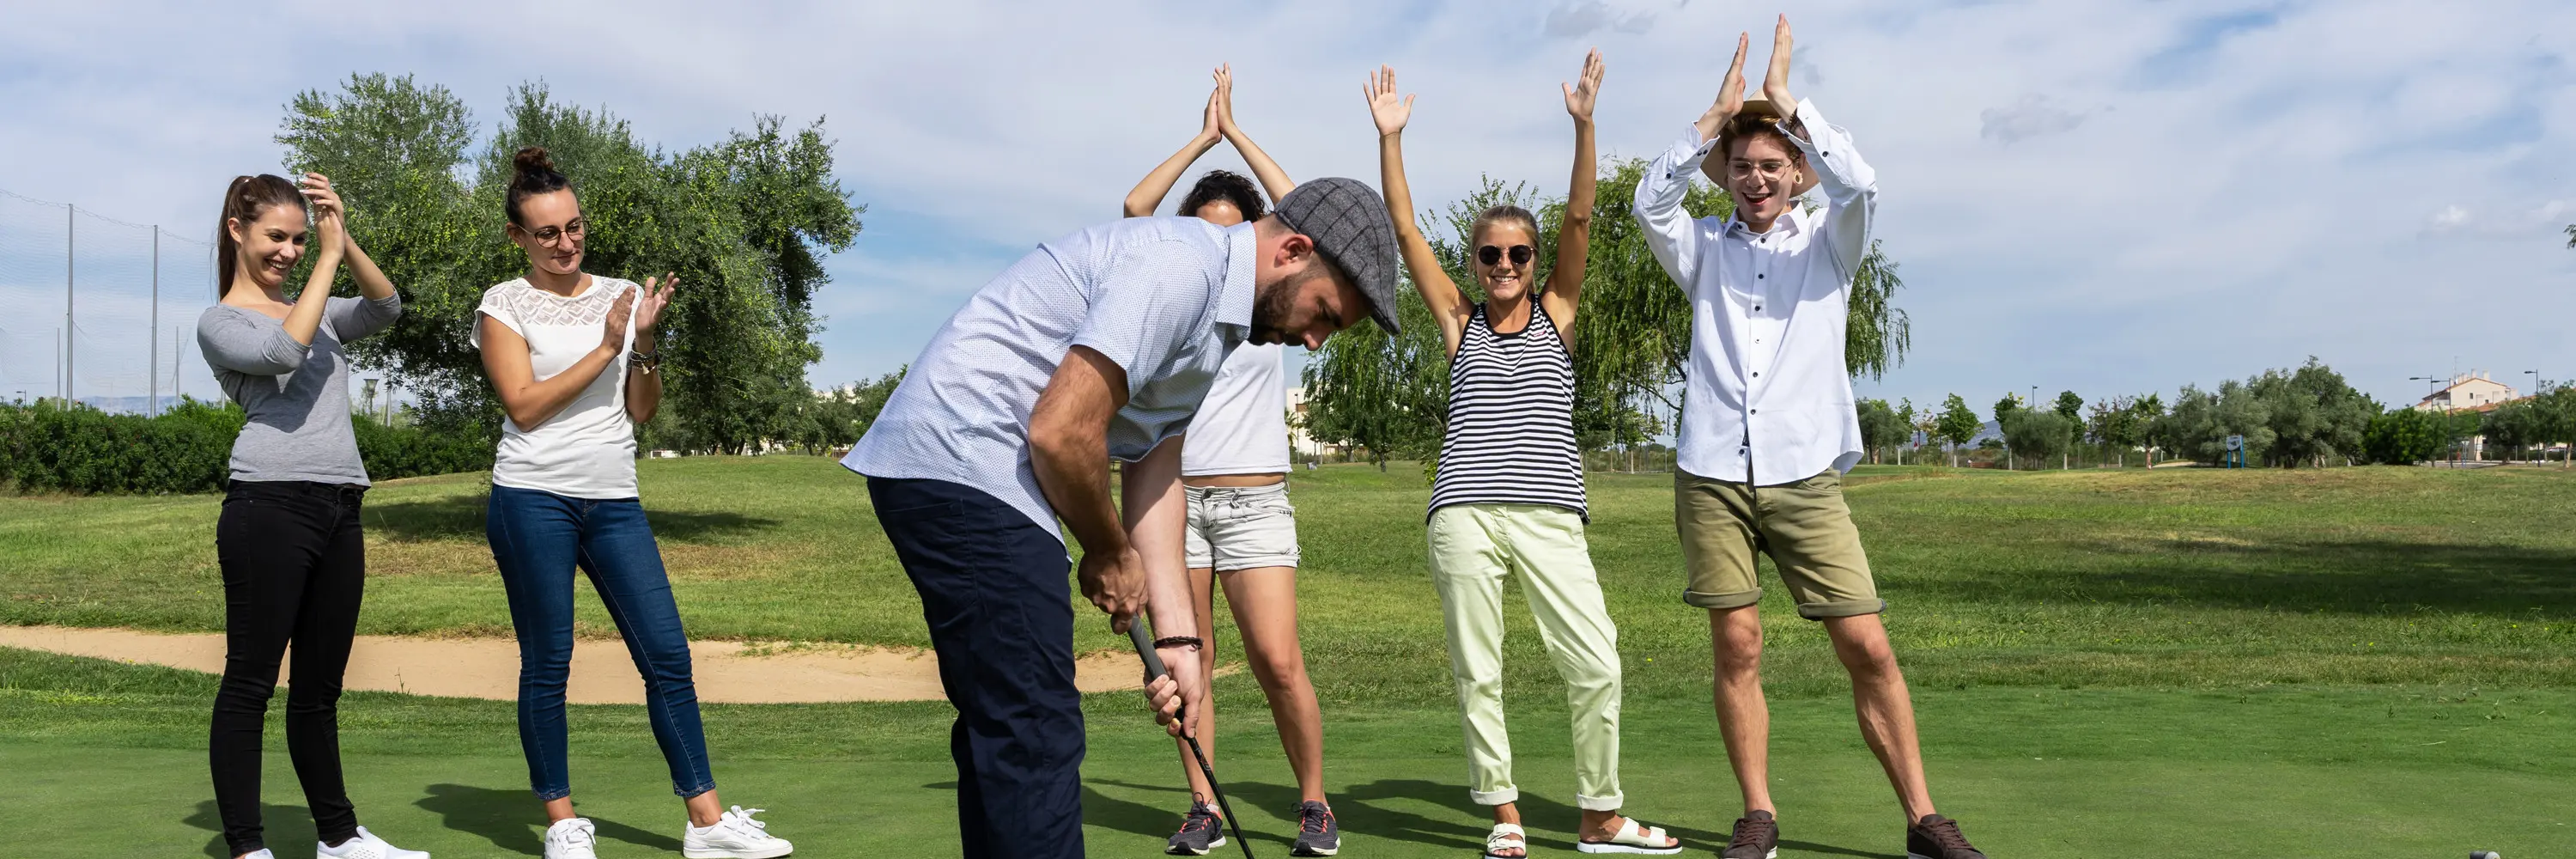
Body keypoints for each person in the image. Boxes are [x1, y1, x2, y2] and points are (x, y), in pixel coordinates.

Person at [842, 171, 1400, 859]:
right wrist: (1108, 552)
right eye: (1325, 314)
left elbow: (1155, 469)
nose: (1315, 341)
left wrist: (1180, 641)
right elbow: (1062, 430)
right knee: (1034, 726)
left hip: (961, 467)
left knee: (1008, 722)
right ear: (1293, 251)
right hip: (965, 456)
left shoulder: (1219, 323)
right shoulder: (1183, 266)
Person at [1632, 17, 1988, 859]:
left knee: (1866, 643)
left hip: (1804, 475)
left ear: (1796, 172)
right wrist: (1713, 118)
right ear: (1727, 174)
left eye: (1772, 165)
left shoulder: (1831, 243)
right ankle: (1757, 815)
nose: (1755, 178)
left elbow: (1861, 187)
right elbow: (1649, 202)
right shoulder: (1702, 246)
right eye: (1741, 166)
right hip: (1712, 472)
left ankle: (1924, 819)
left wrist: (1790, 103)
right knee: (1738, 643)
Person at [1370, 54, 1680, 857]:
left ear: (1534, 261)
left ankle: (1600, 815)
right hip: (1464, 513)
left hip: (1551, 514)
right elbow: (1405, 231)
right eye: (1490, 255)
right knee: (1480, 669)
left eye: (1517, 254)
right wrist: (1391, 139)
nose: (1504, 266)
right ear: (1474, 263)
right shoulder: (1458, 320)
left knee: (1597, 664)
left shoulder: (1558, 313)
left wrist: (1584, 125)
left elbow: (1579, 217)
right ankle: (1504, 816)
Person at [472, 147, 793, 859]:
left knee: (667, 655)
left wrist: (643, 342)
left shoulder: (620, 293)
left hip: (614, 499)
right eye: (547, 233)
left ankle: (706, 824)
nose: (566, 243)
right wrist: (605, 346)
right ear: (518, 236)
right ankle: (562, 823)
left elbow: (641, 410)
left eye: (575, 227)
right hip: (531, 499)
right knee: (549, 663)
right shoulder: (503, 303)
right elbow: (523, 406)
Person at [1121, 64, 1338, 858]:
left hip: (1253, 502)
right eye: (1204, 230)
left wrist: (1236, 136)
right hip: (1174, 505)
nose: (1217, 241)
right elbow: (1136, 210)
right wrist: (1199, 141)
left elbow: (1308, 212)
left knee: (1277, 661)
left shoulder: (1270, 301)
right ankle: (1203, 806)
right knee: (1191, 661)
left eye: (1231, 230)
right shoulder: (1180, 294)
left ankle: (1314, 804)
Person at [198, 172, 427, 859]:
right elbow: (283, 353)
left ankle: (339, 837)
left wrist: (341, 238)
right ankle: (247, 846)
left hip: (340, 504)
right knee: (251, 682)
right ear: (237, 231)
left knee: (320, 690)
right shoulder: (221, 322)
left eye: (300, 240)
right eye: (277, 237)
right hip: (267, 503)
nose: (290, 252)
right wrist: (326, 261)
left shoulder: (315, 305)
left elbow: (386, 307)